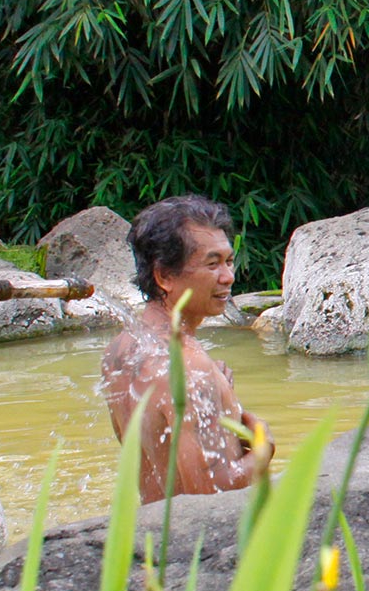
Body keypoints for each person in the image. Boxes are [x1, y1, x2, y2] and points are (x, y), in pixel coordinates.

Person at [101, 195, 272, 502]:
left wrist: (215, 394)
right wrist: (263, 450)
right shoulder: (189, 368)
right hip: (197, 546)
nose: (228, 277)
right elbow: (208, 497)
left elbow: (155, 455)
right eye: (212, 263)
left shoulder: (121, 349)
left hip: (152, 532)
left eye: (229, 261)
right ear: (164, 275)